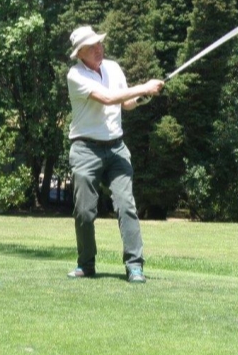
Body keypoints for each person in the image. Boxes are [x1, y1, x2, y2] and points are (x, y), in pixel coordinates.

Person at [65, 25, 164, 283]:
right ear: (80, 54)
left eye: (99, 44)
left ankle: (135, 265)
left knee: (126, 204)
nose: (98, 49)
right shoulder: (75, 75)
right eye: (91, 47)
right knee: (85, 211)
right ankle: (86, 264)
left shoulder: (114, 68)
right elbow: (108, 98)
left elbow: (126, 104)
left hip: (116, 147)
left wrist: (145, 95)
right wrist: (143, 86)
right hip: (85, 149)